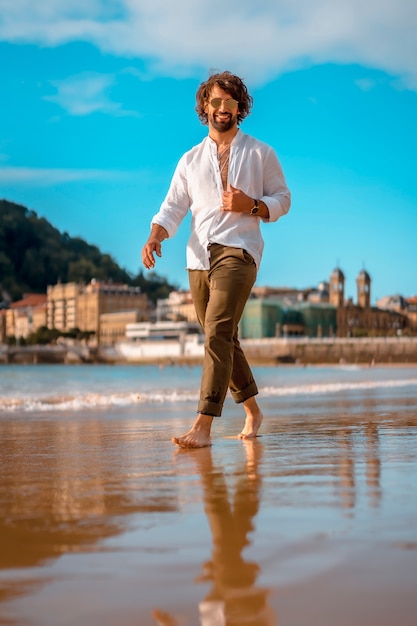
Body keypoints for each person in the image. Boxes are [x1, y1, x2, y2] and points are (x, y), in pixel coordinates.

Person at [142, 71, 291, 448]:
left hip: (240, 250)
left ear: (240, 107)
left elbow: (283, 199)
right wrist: (156, 234)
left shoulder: (261, 153)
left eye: (230, 102)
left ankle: (203, 425)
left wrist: (252, 205)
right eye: (215, 101)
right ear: (205, 106)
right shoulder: (190, 159)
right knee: (222, 337)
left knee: (218, 332)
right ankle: (254, 411)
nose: (222, 108)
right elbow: (173, 206)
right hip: (198, 257)